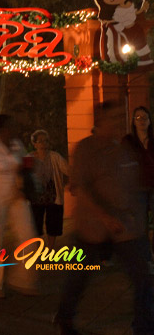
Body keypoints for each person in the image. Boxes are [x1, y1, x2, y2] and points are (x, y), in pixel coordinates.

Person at [56, 101, 154, 334]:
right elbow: (80, 188)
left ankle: (144, 325)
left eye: (122, 117)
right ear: (100, 122)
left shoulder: (122, 149)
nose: (121, 122)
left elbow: (134, 186)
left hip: (125, 229)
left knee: (144, 275)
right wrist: (105, 216)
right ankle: (65, 317)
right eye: (115, 118)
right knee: (78, 277)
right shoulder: (86, 149)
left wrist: (140, 219)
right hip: (92, 229)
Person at [0, 114, 38, 299]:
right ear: (2, 129)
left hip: (16, 197)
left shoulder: (18, 145)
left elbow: (26, 168)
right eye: (11, 126)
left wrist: (26, 179)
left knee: (28, 237)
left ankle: (23, 279)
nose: (15, 130)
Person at [93, 0, 152, 66]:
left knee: (138, 36)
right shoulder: (116, 11)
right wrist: (110, 21)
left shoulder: (127, 6)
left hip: (132, 28)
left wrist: (142, 9)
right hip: (121, 29)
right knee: (121, 38)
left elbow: (134, 13)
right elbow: (117, 19)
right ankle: (122, 58)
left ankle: (142, 56)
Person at [27, 129, 69, 249]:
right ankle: (38, 247)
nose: (44, 144)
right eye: (40, 141)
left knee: (53, 224)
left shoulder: (55, 157)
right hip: (36, 197)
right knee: (35, 224)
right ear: (34, 144)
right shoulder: (29, 158)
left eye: (46, 141)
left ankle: (50, 248)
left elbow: (66, 169)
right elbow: (23, 177)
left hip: (53, 195)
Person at [123, 106, 154, 266]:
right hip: (137, 188)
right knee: (141, 225)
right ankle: (146, 257)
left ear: (150, 121)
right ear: (133, 122)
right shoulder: (128, 141)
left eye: (145, 117)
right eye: (138, 118)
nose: (142, 121)